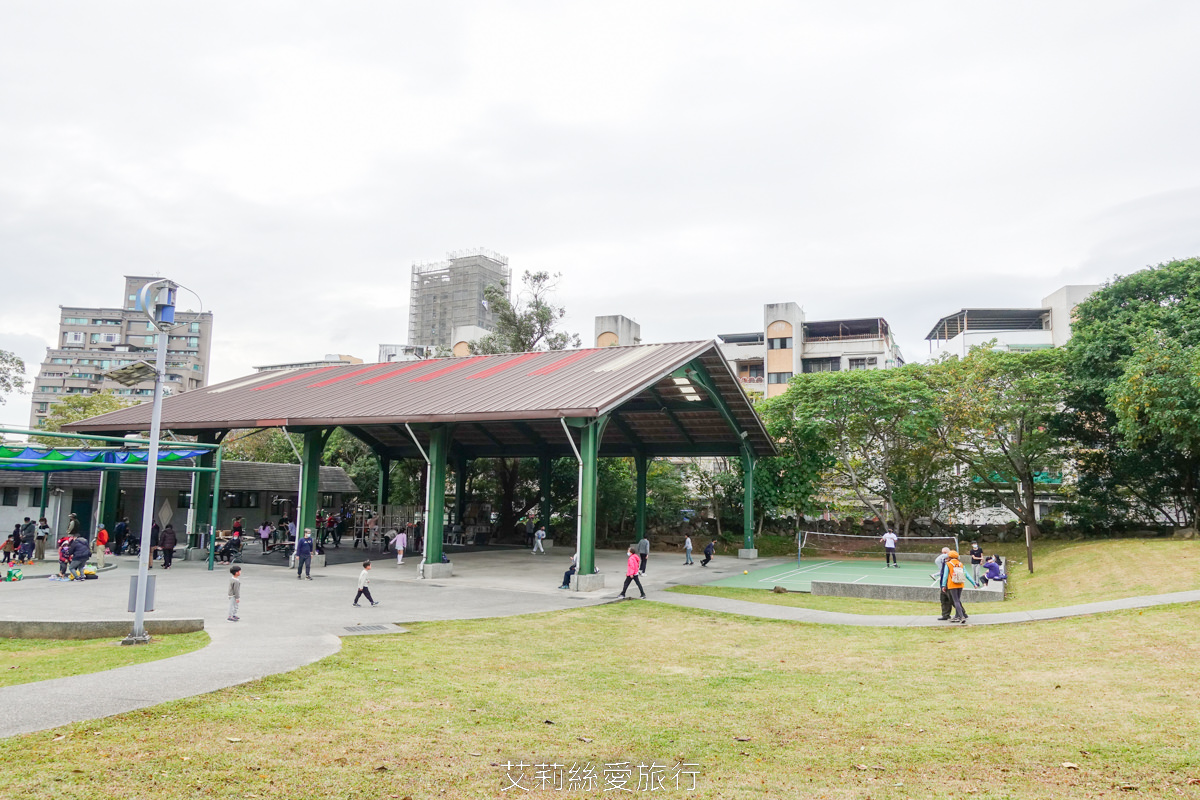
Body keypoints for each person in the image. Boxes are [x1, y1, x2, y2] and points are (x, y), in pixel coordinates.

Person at [942, 549, 977, 623]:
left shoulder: (948, 564)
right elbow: (966, 574)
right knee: (958, 599)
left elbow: (945, 576)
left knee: (956, 601)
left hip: (952, 584)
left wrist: (943, 585)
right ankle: (957, 616)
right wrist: (974, 583)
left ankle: (961, 616)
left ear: (949, 556)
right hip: (960, 584)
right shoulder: (961, 564)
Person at [932, 547, 953, 620]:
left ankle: (962, 613)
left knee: (953, 600)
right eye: (942, 553)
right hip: (943, 583)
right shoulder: (943, 562)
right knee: (943, 599)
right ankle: (945, 615)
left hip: (950, 583)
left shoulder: (952, 562)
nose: (943, 555)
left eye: (945, 553)